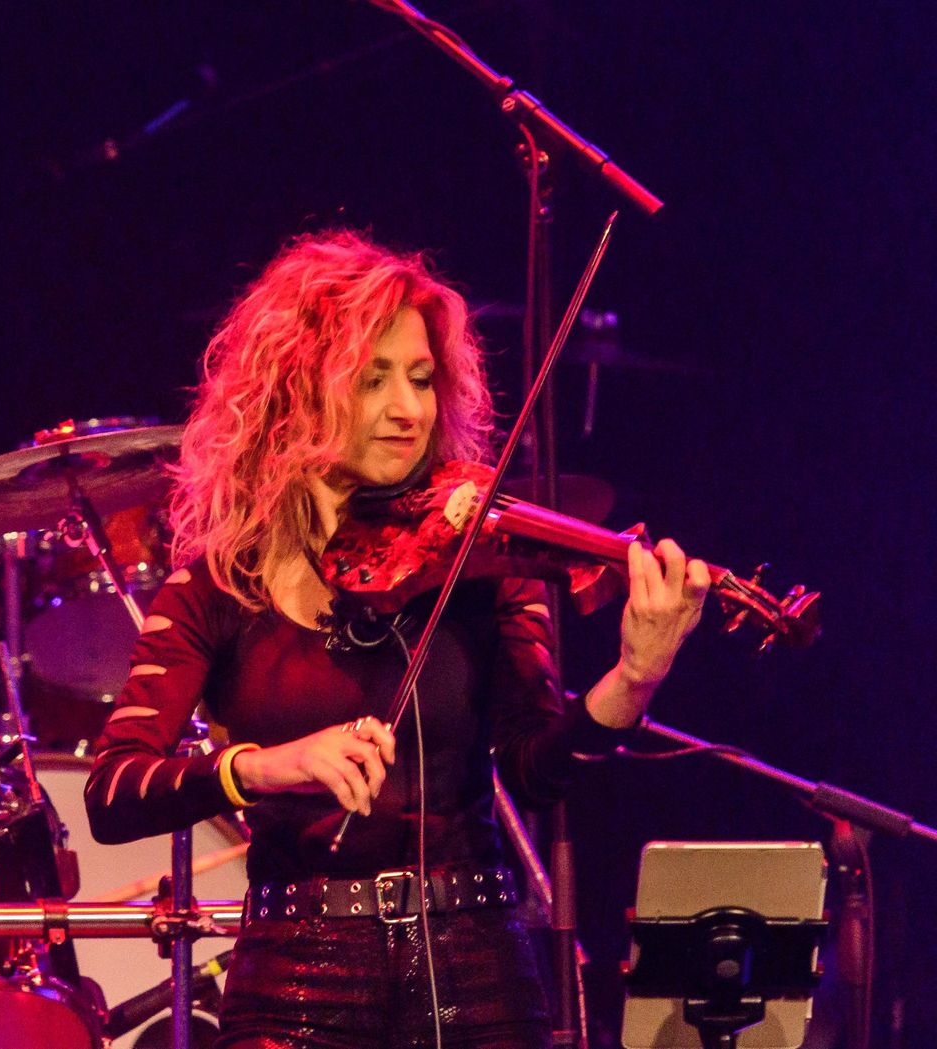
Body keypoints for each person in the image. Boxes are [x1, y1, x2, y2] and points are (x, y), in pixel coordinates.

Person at [84, 230, 710, 1049]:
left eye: (420, 379)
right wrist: (266, 765)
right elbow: (112, 791)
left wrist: (633, 679)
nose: (409, 410)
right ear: (294, 391)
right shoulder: (220, 583)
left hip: (476, 967)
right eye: (372, 380)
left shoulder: (478, 555)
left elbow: (536, 766)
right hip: (294, 980)